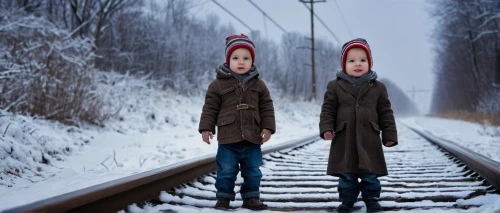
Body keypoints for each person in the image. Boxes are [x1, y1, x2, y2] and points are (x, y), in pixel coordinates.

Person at [319, 38, 398, 213]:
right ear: (344, 64)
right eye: (352, 60)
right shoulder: (335, 86)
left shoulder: (378, 87)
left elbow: (385, 112)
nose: (357, 64)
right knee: (347, 173)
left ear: (369, 63)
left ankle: (372, 200)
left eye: (363, 60)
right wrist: (326, 128)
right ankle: (347, 200)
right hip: (344, 137)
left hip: (369, 137)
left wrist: (389, 135)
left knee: (370, 173)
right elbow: (328, 109)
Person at [198, 34, 276, 210]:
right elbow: (210, 108)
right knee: (226, 171)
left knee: (253, 171)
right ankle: (223, 198)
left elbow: (267, 107)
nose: (241, 62)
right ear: (228, 60)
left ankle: (251, 198)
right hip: (228, 139)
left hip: (252, 139)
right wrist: (206, 128)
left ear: (252, 61)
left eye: (246, 58)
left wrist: (268, 127)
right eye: (235, 58)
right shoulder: (217, 85)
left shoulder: (259, 85)